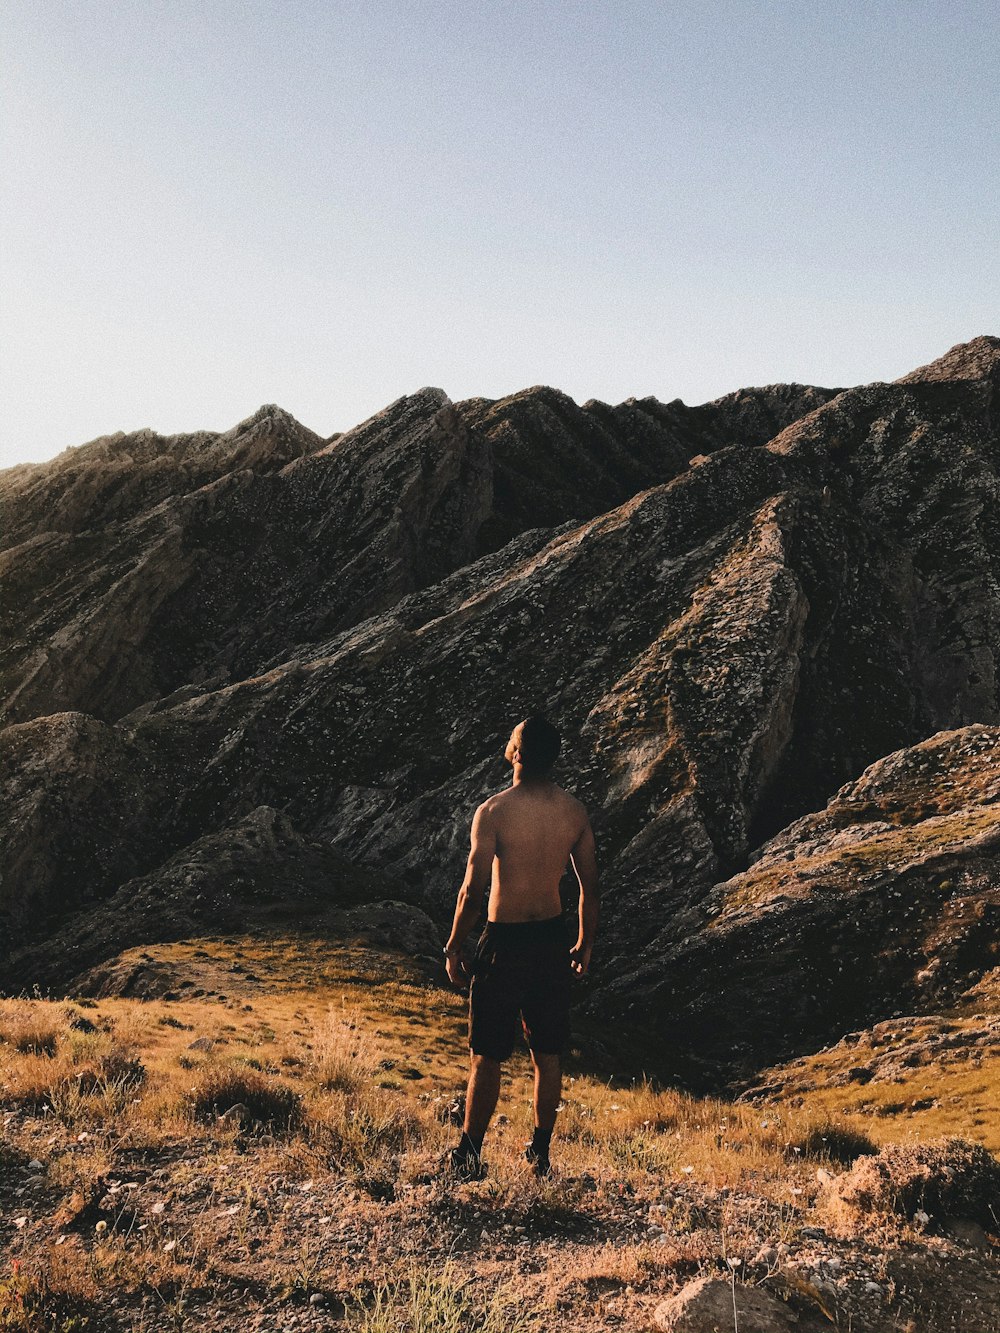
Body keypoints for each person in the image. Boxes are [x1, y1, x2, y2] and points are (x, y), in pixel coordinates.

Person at [442, 715, 599, 1179]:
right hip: (551, 940)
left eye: (511, 736)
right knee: (546, 1053)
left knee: (487, 1053)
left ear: (517, 753)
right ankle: (541, 1154)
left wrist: (454, 944)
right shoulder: (574, 811)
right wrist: (584, 943)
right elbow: (591, 885)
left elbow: (472, 891)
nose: (506, 740)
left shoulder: (493, 812)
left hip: (504, 942)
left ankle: (469, 1155)